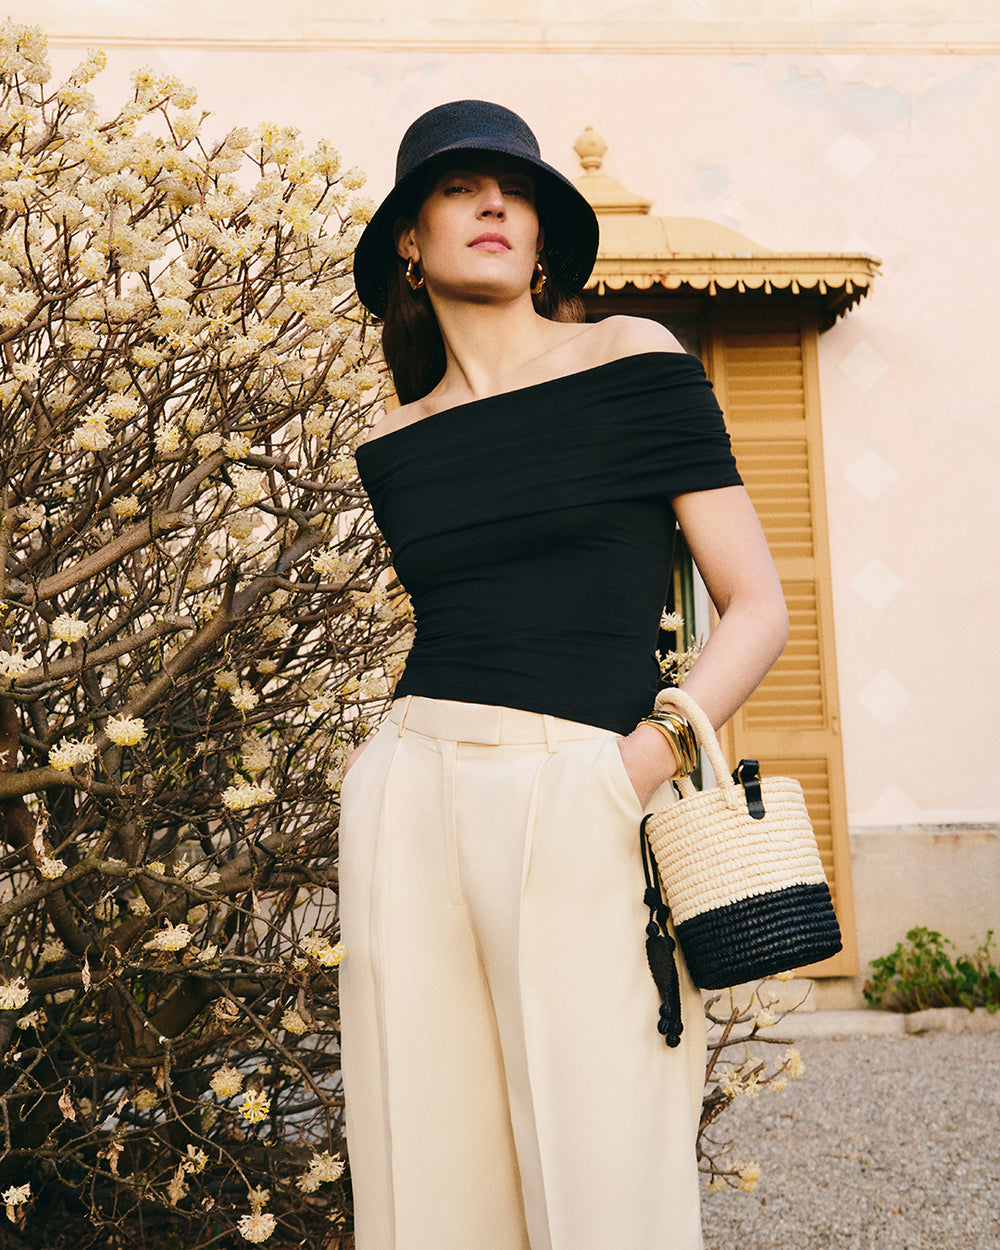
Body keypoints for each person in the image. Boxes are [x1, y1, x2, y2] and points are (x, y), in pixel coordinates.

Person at [340, 99, 789, 1250]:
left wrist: (635, 764)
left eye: (517, 189)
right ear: (409, 237)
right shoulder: (391, 443)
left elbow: (756, 606)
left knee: (607, 1183)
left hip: (583, 781)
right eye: (458, 186)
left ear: (542, 238)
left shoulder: (632, 355)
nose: (494, 202)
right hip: (410, 794)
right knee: (425, 1174)